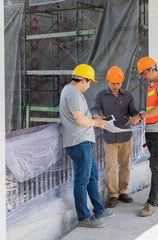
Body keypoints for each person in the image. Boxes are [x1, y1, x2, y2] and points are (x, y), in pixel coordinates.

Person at [59, 64, 115, 228]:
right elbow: (80, 120)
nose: (89, 85)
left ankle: (99, 209)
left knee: (92, 177)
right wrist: (97, 122)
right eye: (89, 82)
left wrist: (96, 118)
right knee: (82, 180)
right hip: (79, 142)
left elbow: (83, 117)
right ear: (83, 80)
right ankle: (84, 217)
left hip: (82, 142)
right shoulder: (73, 93)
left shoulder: (69, 91)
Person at [127, 57, 158, 217]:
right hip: (152, 130)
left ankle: (152, 203)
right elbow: (153, 108)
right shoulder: (151, 84)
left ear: (153, 69)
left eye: (145, 73)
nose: (144, 76)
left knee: (155, 166)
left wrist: (140, 116)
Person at [90, 66, 139, 207]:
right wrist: (97, 116)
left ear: (122, 82)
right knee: (111, 166)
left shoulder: (128, 96)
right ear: (108, 81)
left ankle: (123, 191)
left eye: (118, 83)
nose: (115, 86)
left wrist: (137, 117)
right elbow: (93, 109)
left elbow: (134, 112)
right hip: (109, 136)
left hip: (126, 136)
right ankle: (113, 195)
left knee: (125, 165)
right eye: (113, 83)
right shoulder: (100, 95)